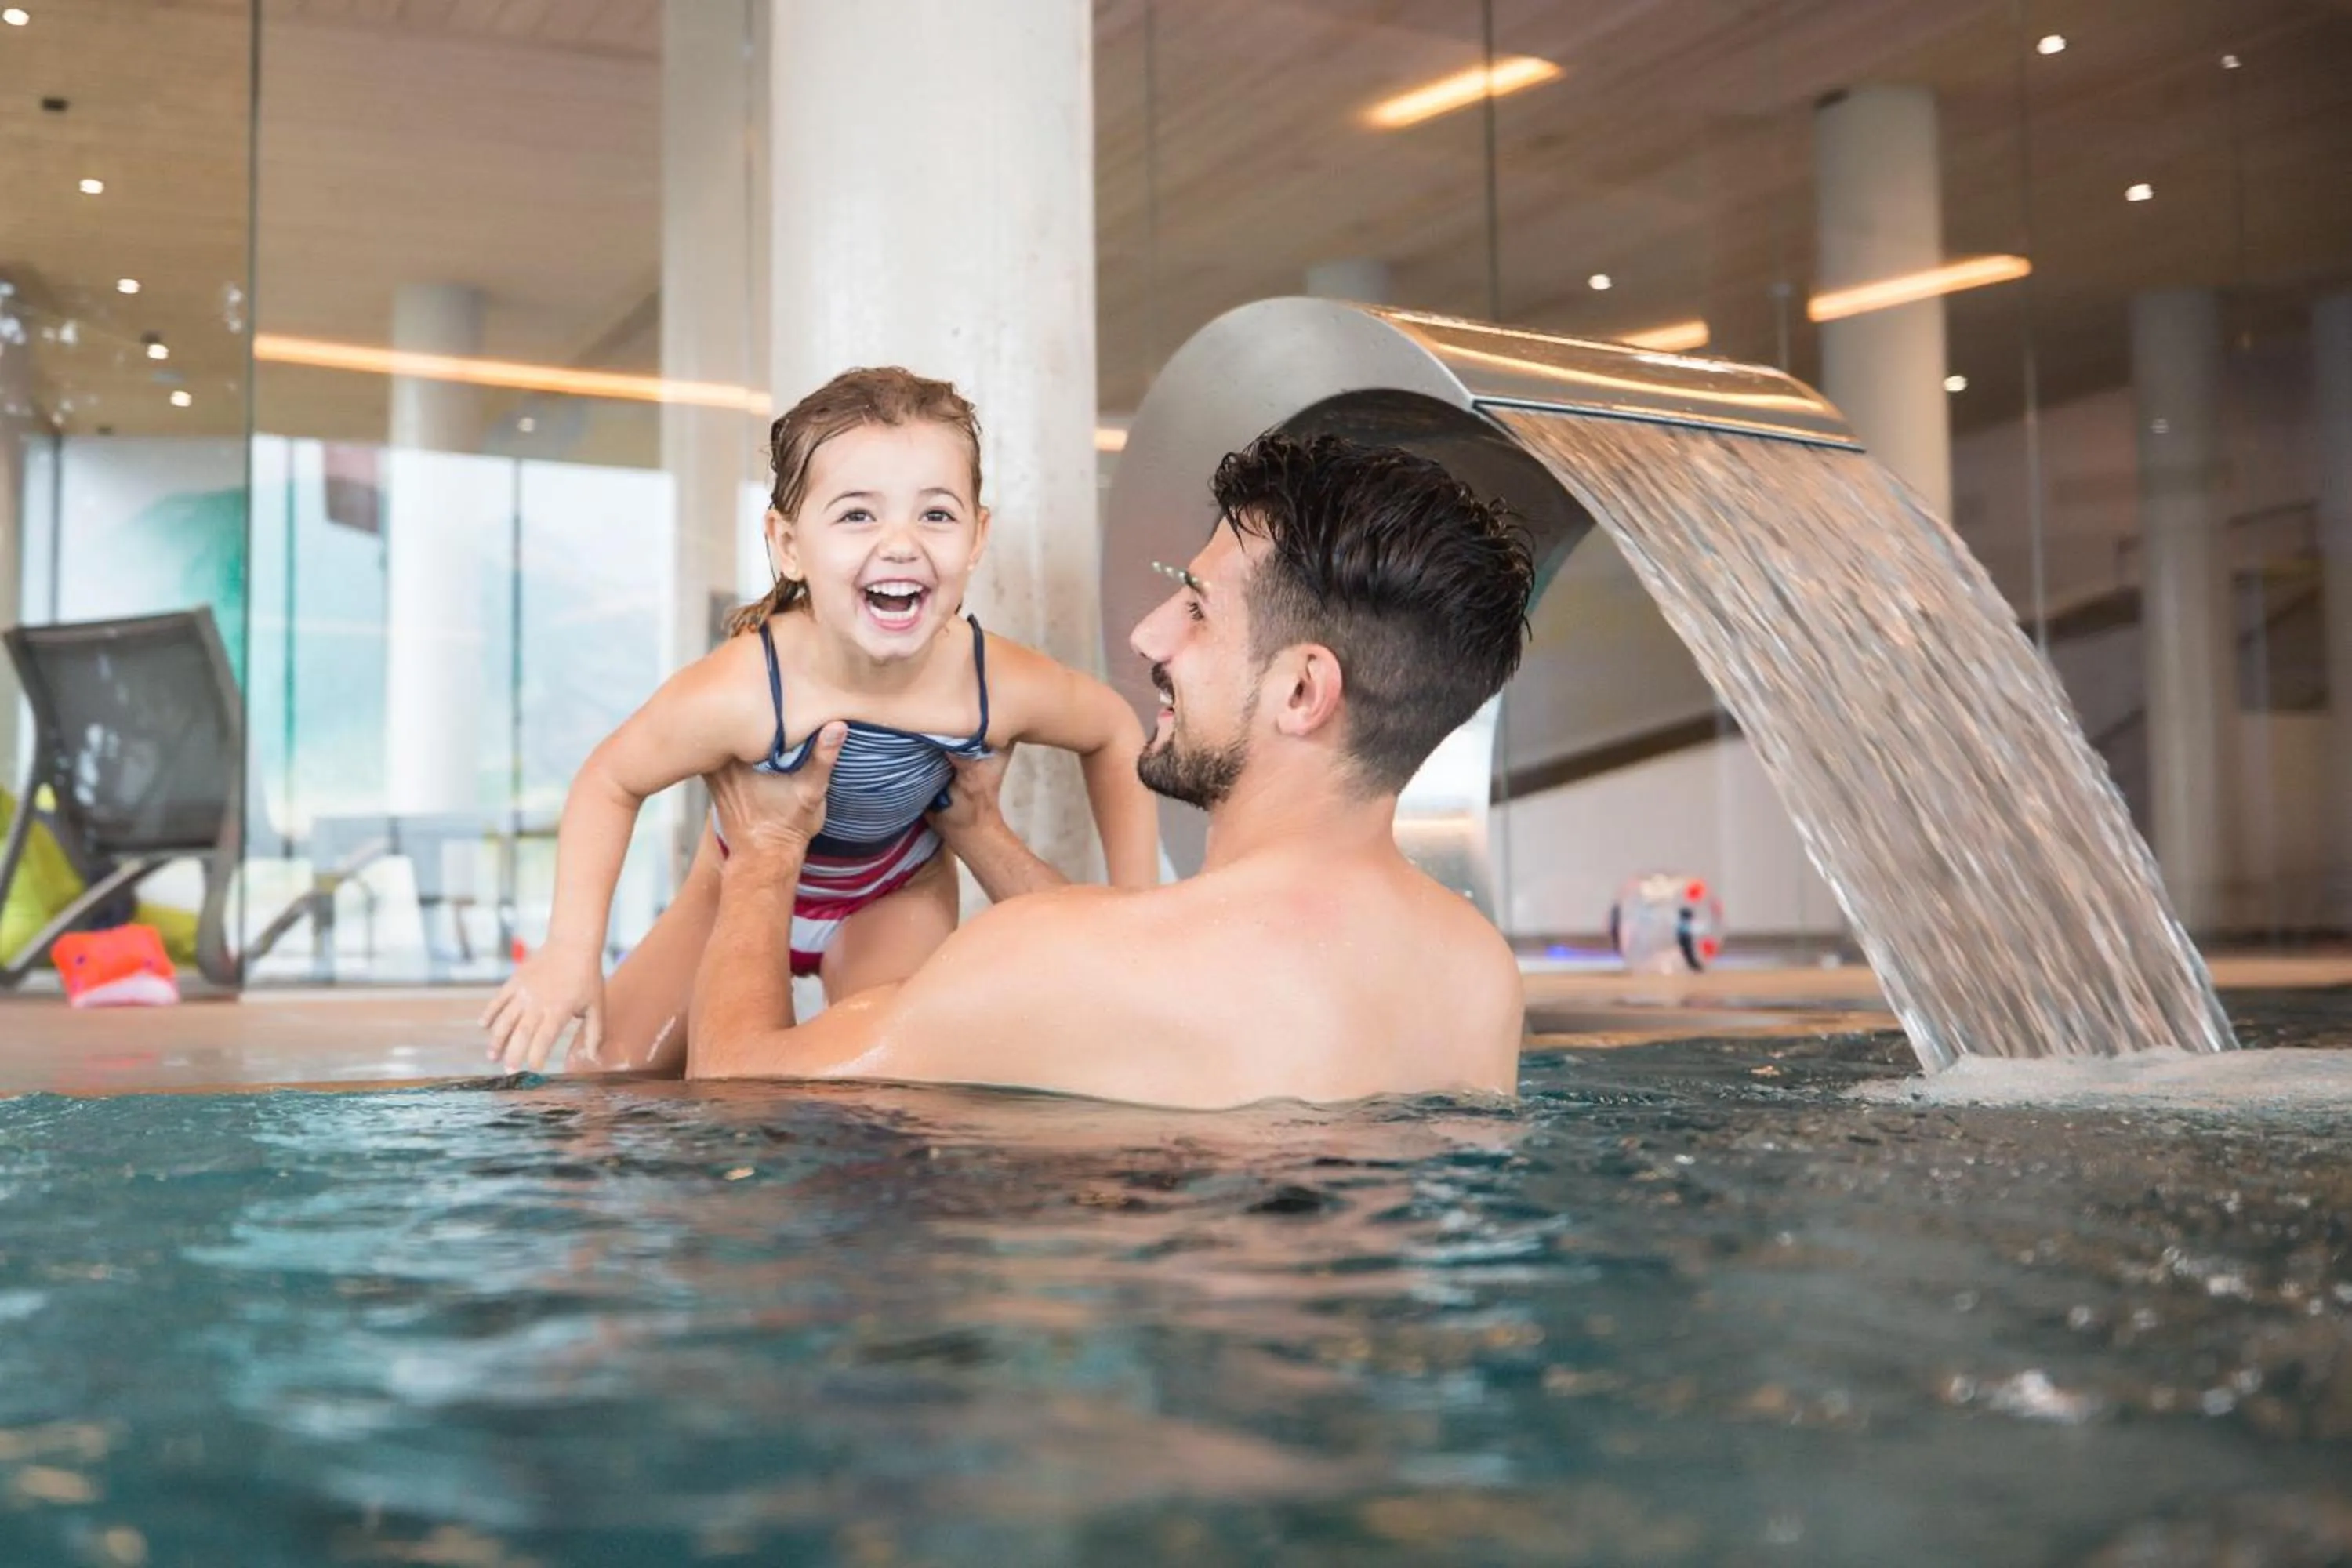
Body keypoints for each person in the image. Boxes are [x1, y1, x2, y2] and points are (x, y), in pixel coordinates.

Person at [684, 430, 1536, 1108]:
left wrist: (762, 854)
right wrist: (980, 829)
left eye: (1198, 609)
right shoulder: (1476, 972)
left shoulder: (1047, 958)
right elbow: (1125, 959)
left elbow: (743, 1085)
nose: (1149, 636)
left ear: (1304, 688)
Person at [481, 368, 1160, 1073]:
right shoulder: (749, 688)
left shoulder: (988, 683)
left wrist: (1141, 907)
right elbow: (610, 780)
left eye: (936, 514)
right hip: (727, 886)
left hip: (892, 888)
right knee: (603, 1082)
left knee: (890, 1097)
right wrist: (570, 950)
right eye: (857, 515)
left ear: (978, 535)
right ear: (788, 544)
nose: (901, 543)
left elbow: (1112, 729)